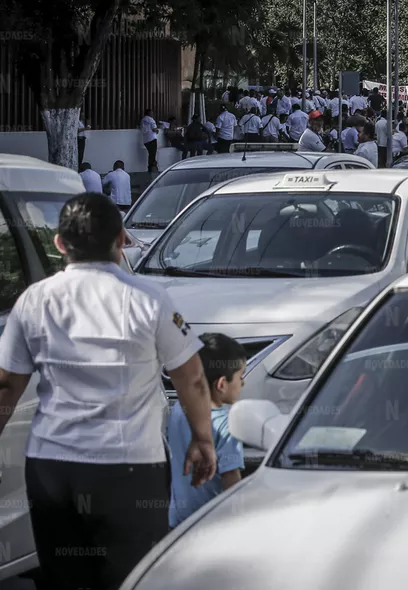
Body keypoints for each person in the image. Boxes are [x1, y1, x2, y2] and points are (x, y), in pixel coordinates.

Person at [0, 193, 216, 590]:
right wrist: (203, 439)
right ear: (122, 240)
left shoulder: (33, 301)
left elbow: (6, 387)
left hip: (52, 468)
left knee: (64, 580)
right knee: (133, 579)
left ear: (60, 244)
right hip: (130, 468)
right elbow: (192, 377)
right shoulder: (150, 299)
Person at [168, 333, 245, 528]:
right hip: (212, 526)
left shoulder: (179, 409)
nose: (243, 383)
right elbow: (232, 484)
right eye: (240, 377)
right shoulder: (228, 425)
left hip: (177, 523)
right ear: (221, 384)